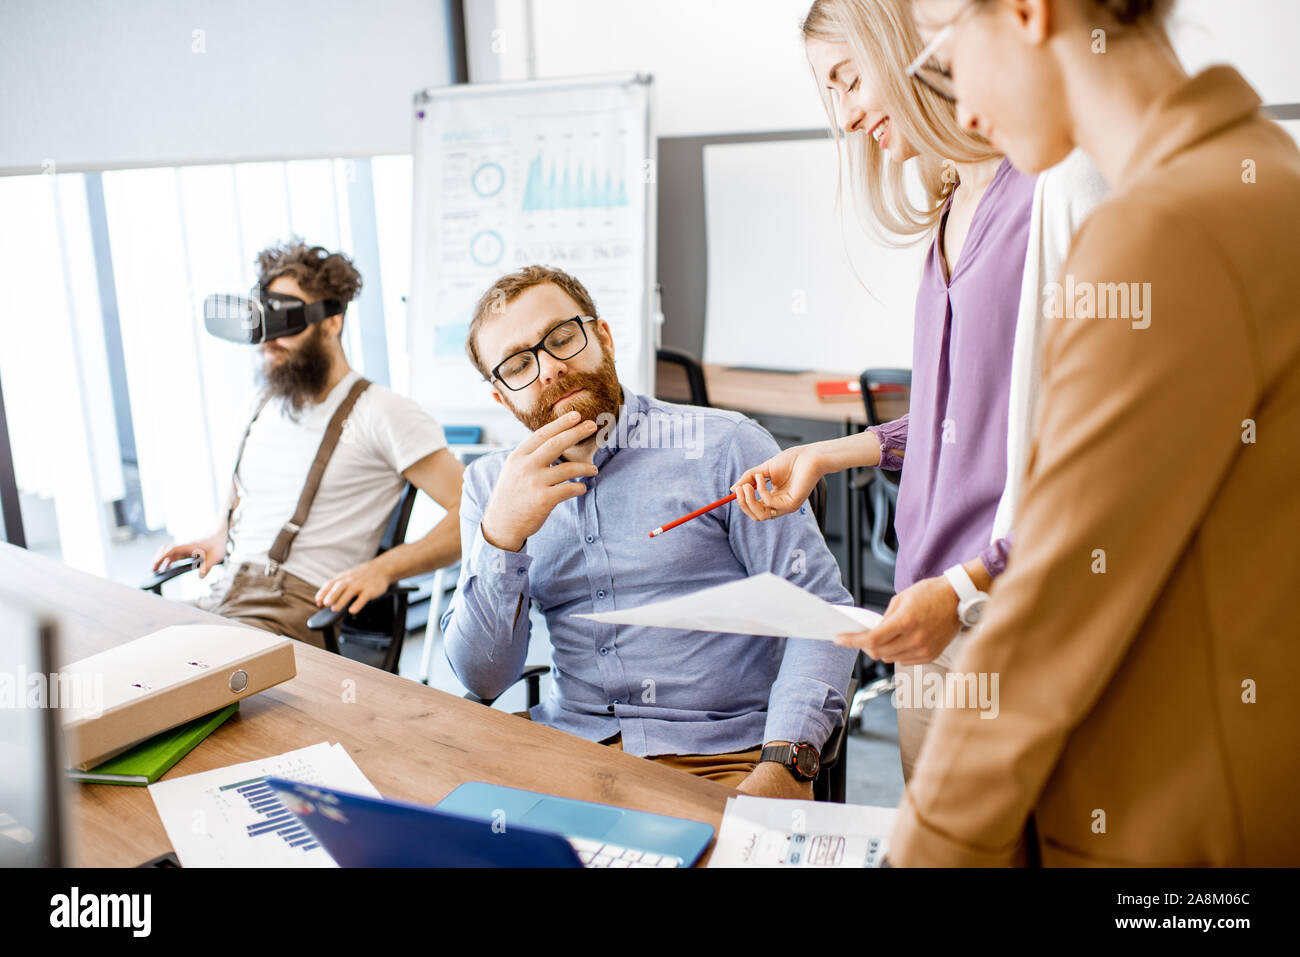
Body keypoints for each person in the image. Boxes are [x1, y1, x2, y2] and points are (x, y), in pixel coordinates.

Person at [885, 0, 1300, 865]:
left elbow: (1053, 608)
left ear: (1028, 12)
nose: (958, 107)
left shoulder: (1162, 229)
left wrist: (922, 849)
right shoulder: (1262, 167)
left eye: (949, 46)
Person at [732, 0, 1105, 780]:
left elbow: (1091, 445)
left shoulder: (1049, 190)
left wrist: (970, 590)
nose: (844, 116)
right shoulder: (949, 210)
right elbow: (962, 416)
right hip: (924, 619)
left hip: (1005, 611)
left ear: (904, 48)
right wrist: (833, 453)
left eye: (848, 79)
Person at [440, 265, 857, 795]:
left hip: (722, 754)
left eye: (562, 339)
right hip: (566, 748)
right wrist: (502, 537)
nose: (548, 370)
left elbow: (819, 610)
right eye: (519, 364)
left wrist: (786, 763)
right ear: (502, 398)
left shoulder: (725, 447)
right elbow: (482, 678)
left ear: (603, 337)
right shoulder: (488, 486)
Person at [152, 241, 464, 648]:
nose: (269, 340)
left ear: (332, 321)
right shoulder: (264, 404)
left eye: (286, 320)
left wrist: (384, 569)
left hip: (289, 612)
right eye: (264, 322)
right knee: (123, 641)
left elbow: (474, 513)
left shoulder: (383, 412)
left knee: (177, 671)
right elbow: (250, 493)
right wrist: (219, 535)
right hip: (223, 596)